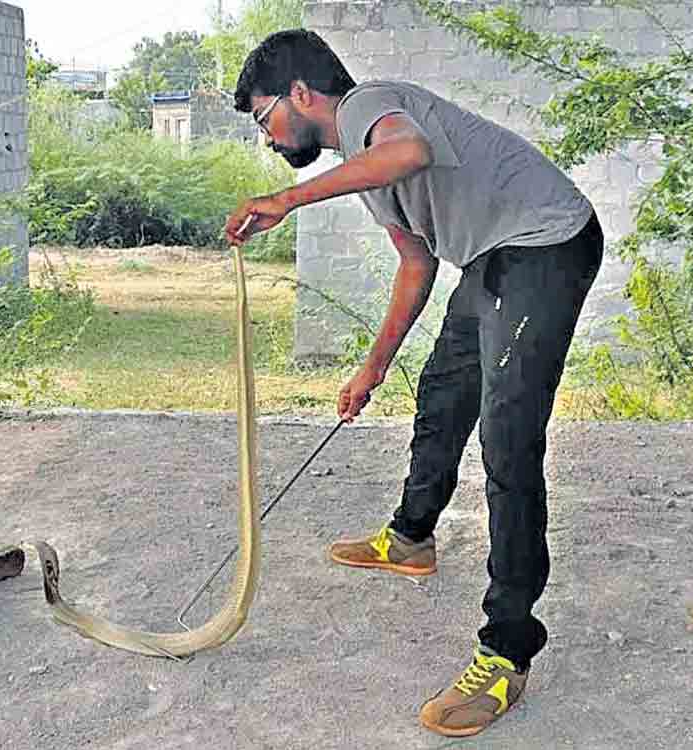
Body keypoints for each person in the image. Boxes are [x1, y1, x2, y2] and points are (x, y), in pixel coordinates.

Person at [223, 29, 604, 738]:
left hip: (546, 245)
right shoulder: (366, 166)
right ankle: (410, 539)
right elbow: (415, 265)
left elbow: (410, 151)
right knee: (441, 396)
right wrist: (371, 367)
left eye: (263, 117)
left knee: (508, 443)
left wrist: (287, 198)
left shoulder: (371, 107)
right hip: (490, 260)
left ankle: (505, 652)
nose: (268, 137)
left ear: (301, 96)